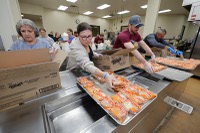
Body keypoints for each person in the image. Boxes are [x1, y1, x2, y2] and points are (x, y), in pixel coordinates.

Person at [67, 22, 115, 89]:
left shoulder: (86, 41)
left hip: (84, 71)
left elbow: (87, 51)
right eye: (84, 37)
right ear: (78, 36)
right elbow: (87, 64)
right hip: (75, 72)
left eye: (89, 36)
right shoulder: (76, 48)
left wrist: (95, 54)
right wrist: (105, 75)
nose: (87, 39)